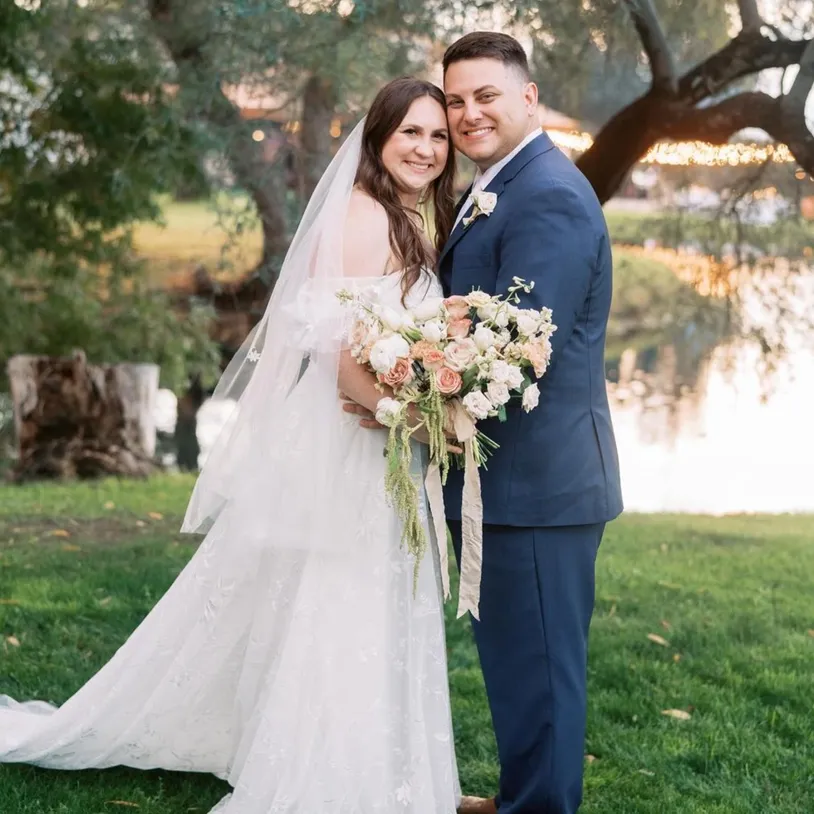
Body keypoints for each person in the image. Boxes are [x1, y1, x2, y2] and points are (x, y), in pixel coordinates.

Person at [0, 77, 462, 814]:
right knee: (341, 596)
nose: (427, 150)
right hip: (354, 438)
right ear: (378, 137)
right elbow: (338, 349)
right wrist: (413, 416)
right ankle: (328, 770)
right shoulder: (364, 215)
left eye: (438, 137)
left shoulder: (408, 218)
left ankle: (382, 765)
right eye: (412, 132)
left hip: (382, 437)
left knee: (360, 594)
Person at [347, 31, 624, 814]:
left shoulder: (549, 196)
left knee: (539, 671)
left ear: (528, 97)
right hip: (504, 479)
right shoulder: (497, 183)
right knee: (517, 664)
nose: (467, 116)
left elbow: (519, 342)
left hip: (541, 483)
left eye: (485, 97)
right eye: (456, 100)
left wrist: (404, 404)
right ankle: (520, 799)